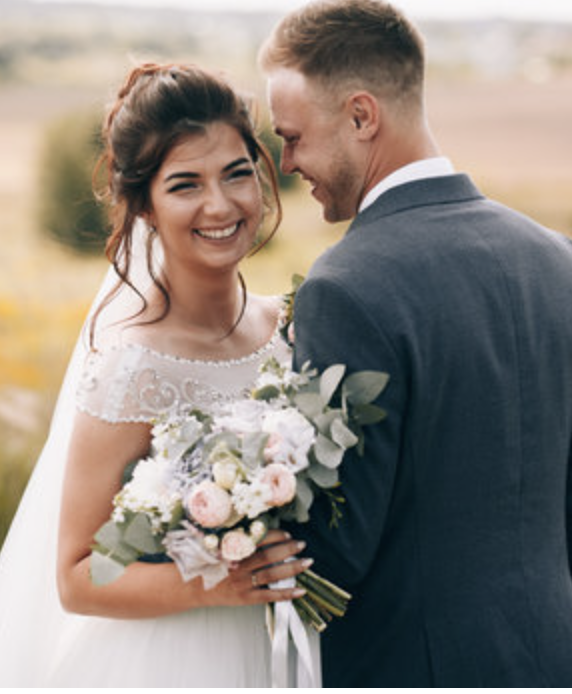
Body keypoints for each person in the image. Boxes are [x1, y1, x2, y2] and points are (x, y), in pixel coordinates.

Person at [259, 0, 572, 687]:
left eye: (294, 136)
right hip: (560, 663)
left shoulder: (345, 285)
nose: (287, 160)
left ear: (362, 117)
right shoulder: (562, 259)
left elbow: (334, 550)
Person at [0, 62, 319, 687]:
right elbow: (76, 575)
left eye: (237, 173)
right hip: (171, 660)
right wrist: (215, 582)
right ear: (143, 206)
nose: (220, 205)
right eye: (185, 185)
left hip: (282, 644)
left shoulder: (287, 329)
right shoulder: (131, 366)